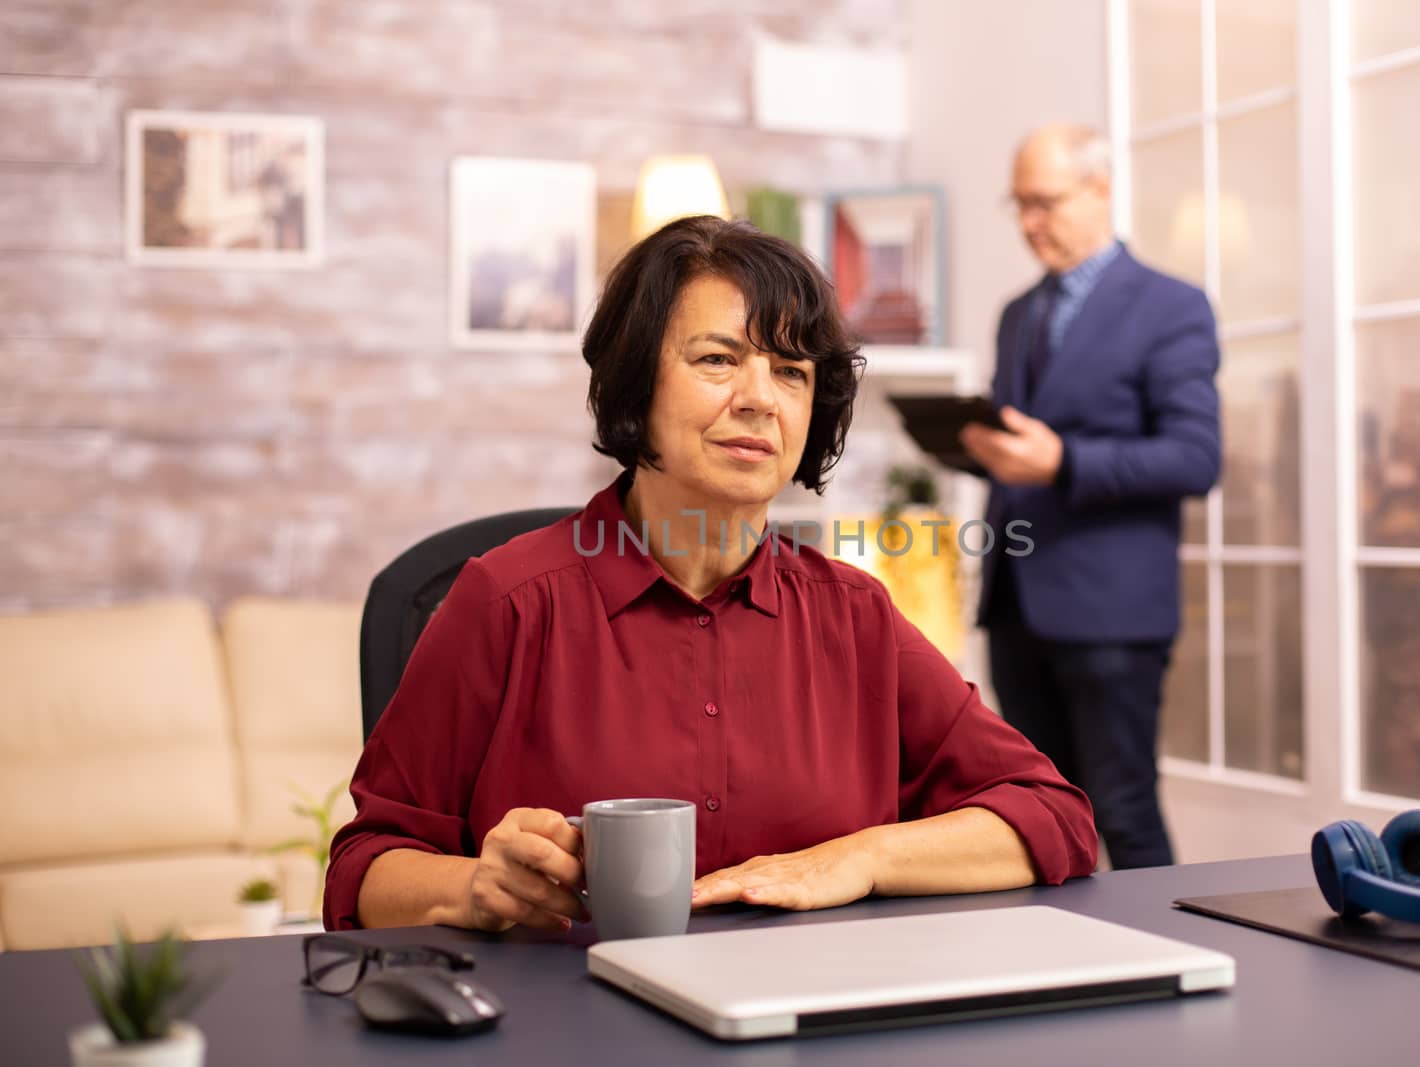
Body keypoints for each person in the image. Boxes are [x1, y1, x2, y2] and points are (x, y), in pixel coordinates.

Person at [325, 215, 1098, 934]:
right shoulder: (506, 601)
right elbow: (364, 870)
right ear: (638, 384)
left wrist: (861, 857)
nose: (760, 399)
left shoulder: (855, 614)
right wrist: (471, 888)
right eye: (718, 359)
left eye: (791, 371)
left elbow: (1051, 816)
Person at [959, 125, 1221, 870]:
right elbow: (1026, 449)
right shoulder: (1018, 313)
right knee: (1040, 812)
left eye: (1044, 202)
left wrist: (1063, 460)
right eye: (1019, 205)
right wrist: (977, 447)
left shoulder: (1171, 305)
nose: (1029, 223)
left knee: (1125, 810)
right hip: (1018, 602)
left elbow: (1195, 457)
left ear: (1100, 189)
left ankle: (1172, 967)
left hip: (1112, 613)